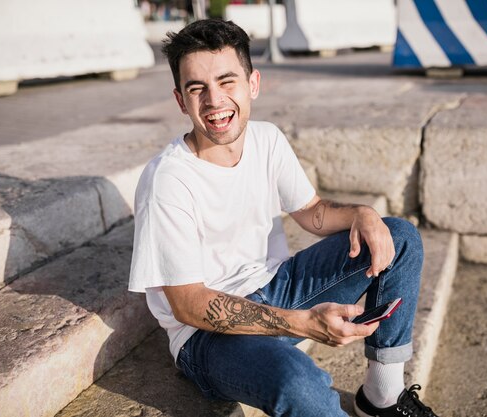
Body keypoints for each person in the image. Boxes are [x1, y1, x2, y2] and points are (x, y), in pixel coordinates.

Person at [128, 19, 439, 417]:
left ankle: (382, 397)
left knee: (399, 236)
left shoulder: (266, 138)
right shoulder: (167, 181)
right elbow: (189, 305)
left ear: (253, 83)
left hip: (276, 284)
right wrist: (301, 323)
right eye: (197, 88)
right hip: (206, 336)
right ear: (180, 100)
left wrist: (362, 213)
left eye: (227, 82)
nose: (214, 101)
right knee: (301, 385)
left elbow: (311, 213)